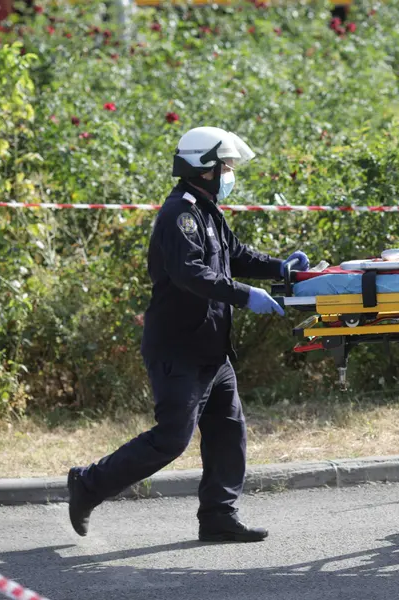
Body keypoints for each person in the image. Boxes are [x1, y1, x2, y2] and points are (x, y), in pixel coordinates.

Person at [67, 126, 309, 543]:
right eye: (225, 165)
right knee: (172, 438)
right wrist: (244, 295)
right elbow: (190, 273)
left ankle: (218, 515)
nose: (230, 173)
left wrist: (279, 269)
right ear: (204, 167)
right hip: (178, 348)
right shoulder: (180, 212)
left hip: (211, 348)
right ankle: (88, 484)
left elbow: (234, 253)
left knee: (228, 431)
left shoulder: (207, 209)